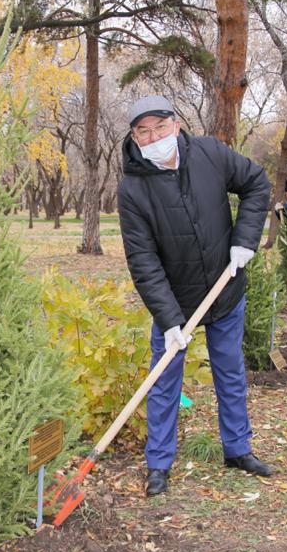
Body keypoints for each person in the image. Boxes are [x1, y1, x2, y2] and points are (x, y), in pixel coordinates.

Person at [117, 95, 273, 497]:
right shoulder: (133, 188)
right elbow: (143, 260)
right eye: (143, 132)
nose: (153, 138)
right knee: (165, 380)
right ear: (134, 137)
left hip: (225, 289)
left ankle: (237, 449)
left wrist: (245, 241)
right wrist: (169, 321)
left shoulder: (209, 153)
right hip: (176, 301)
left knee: (230, 371)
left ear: (177, 124)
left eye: (160, 127)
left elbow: (257, 183)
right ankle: (158, 464)